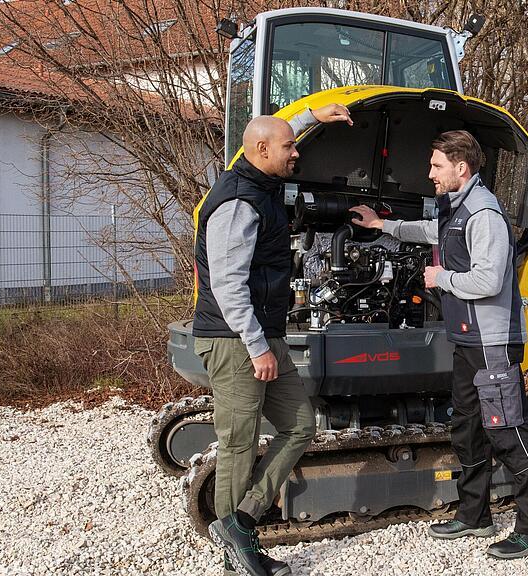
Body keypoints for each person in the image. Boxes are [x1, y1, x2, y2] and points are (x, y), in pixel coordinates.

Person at [349, 130, 528, 559]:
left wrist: (439, 279)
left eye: (437, 166)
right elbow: (428, 229)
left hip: (492, 342)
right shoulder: (454, 211)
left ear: (461, 168)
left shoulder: (484, 214)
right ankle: (475, 515)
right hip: (466, 340)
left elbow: (488, 279)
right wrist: (381, 224)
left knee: (509, 431)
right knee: (467, 427)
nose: (430, 174)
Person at [192, 104, 353, 576]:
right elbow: (227, 283)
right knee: (239, 442)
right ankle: (236, 551)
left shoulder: (257, 178)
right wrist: (257, 346)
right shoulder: (239, 200)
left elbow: (273, 140)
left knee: (301, 425)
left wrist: (311, 121)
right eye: (288, 147)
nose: (295, 154)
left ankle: (239, 522)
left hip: (266, 334)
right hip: (236, 339)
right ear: (262, 150)